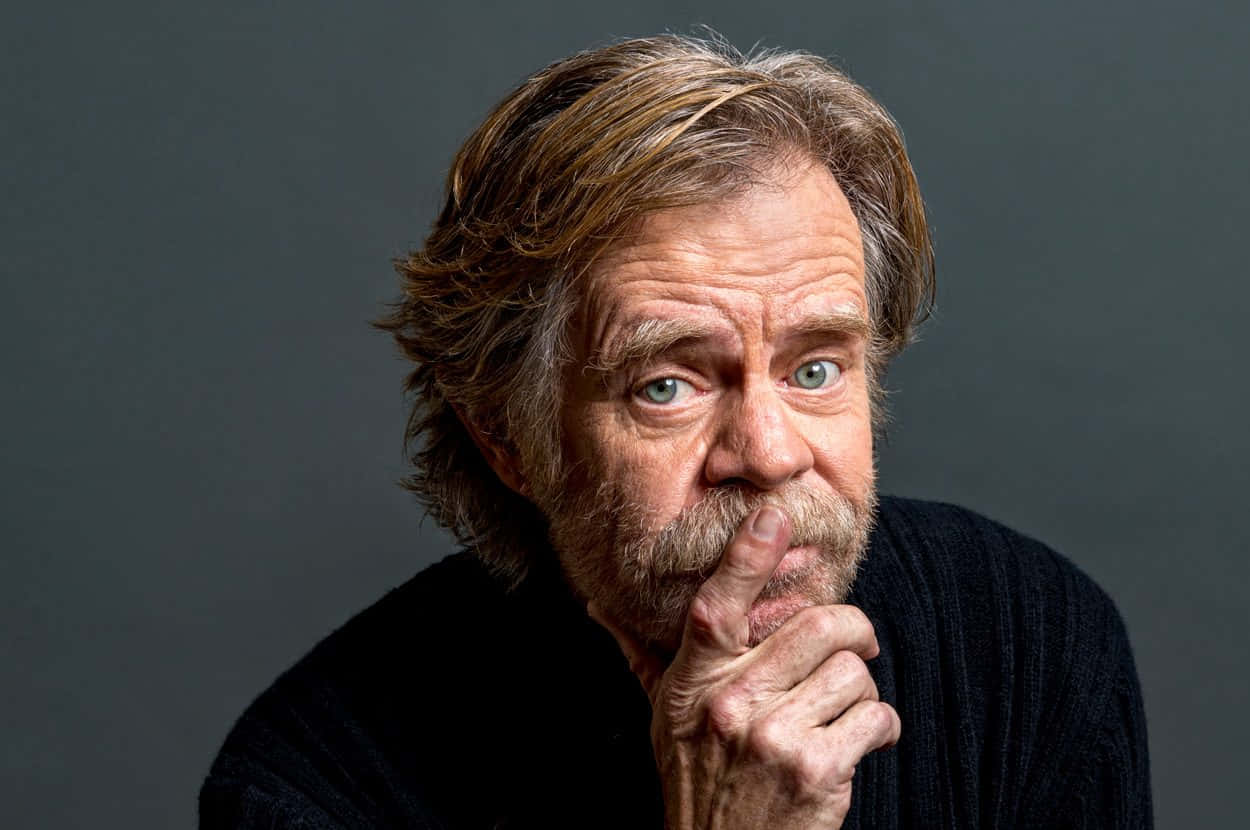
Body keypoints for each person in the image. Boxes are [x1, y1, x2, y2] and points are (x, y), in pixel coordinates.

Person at [200, 33, 1152, 828]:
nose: (772, 456)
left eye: (815, 369)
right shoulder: (311, 792)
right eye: (668, 385)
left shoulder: (1031, 649)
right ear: (507, 438)